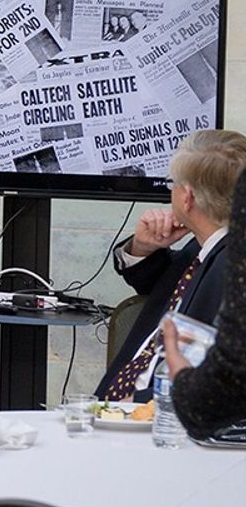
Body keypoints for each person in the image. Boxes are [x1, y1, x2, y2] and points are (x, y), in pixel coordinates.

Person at [98, 129, 246, 402]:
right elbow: (166, 291)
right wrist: (143, 248)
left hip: (155, 418)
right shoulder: (203, 248)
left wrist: (132, 408)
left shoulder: (231, 268)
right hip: (119, 407)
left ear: (187, 198)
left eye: (171, 183)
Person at [162, 166, 246, 437]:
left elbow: (232, 372)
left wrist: (185, 386)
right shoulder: (195, 250)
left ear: (187, 197)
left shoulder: (227, 258)